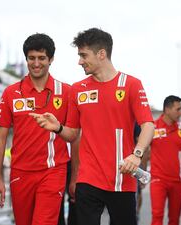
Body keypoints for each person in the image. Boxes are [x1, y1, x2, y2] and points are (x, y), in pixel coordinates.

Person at [30, 27, 155, 225]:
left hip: (121, 179)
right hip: (87, 180)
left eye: (83, 55)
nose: (79, 61)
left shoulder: (131, 84)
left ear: (101, 54)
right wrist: (58, 127)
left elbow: (148, 125)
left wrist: (136, 154)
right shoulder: (78, 89)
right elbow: (72, 134)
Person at [0, 33, 73, 225]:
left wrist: (75, 175)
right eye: (31, 58)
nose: (36, 63)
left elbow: (74, 136)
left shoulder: (67, 92)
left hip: (53, 171)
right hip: (20, 172)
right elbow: (0, 138)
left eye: (42, 58)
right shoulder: (11, 93)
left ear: (51, 59)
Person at [148, 95, 181, 225]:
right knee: (157, 216)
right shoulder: (153, 127)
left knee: (174, 219)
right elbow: (143, 150)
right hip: (158, 180)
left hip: (178, 182)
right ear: (167, 110)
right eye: (178, 109)